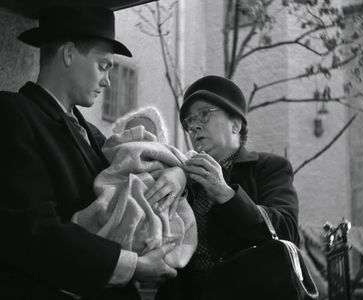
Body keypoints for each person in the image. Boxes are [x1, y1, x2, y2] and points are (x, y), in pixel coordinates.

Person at [0, 6, 186, 300]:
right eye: (103, 66)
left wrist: (177, 175)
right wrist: (133, 265)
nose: (108, 81)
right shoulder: (12, 113)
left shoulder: (95, 135)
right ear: (69, 53)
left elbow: (137, 170)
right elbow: (29, 231)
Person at [155, 75, 300, 300]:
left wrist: (225, 193)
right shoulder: (182, 177)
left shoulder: (269, 167)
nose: (194, 126)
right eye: (189, 122)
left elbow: (287, 230)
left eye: (204, 114)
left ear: (236, 124)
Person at [72, 106, 197, 269]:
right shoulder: (106, 149)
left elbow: (186, 163)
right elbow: (112, 175)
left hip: (159, 200)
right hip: (119, 201)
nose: (139, 137)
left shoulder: (167, 160)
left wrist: (180, 172)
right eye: (131, 133)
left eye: (145, 132)